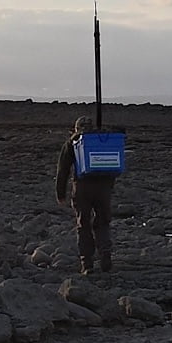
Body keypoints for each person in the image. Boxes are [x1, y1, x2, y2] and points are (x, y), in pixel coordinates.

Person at [56, 115, 116, 274]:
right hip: (103, 188)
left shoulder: (72, 142)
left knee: (83, 225)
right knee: (102, 223)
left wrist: (60, 193)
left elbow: (63, 170)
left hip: (82, 188)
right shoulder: (102, 139)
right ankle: (105, 255)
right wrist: (109, 186)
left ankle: (87, 263)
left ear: (76, 128)